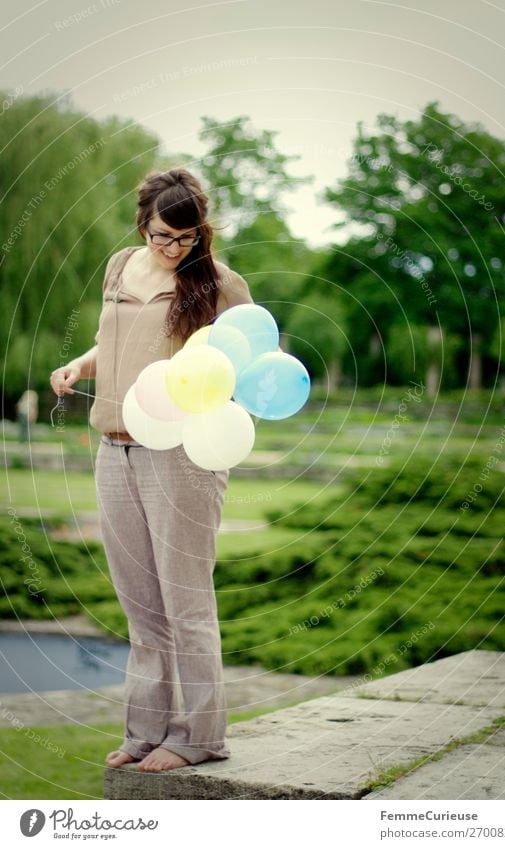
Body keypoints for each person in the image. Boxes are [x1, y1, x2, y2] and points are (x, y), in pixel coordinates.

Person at [50, 168, 254, 772]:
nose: (172, 249)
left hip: (181, 456)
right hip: (114, 450)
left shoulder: (218, 282)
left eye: (186, 238)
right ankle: (145, 733)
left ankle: (200, 738)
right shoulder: (119, 266)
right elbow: (111, 338)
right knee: (140, 605)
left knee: (185, 604)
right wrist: (81, 366)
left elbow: (249, 356)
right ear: (142, 223)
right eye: (163, 236)